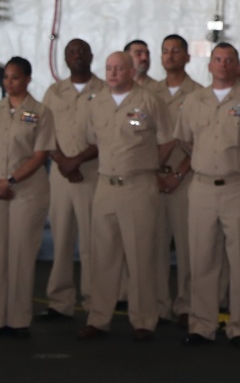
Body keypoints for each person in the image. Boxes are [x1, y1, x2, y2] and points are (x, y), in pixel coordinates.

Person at [177, 43, 240, 347]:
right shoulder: (193, 101)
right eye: (217, 59)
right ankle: (202, 325)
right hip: (203, 188)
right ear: (209, 66)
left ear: (238, 67)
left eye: (229, 60)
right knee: (202, 257)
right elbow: (184, 141)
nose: (223, 64)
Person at [76, 52, 175, 342]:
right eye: (109, 68)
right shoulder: (97, 103)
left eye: (119, 68)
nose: (113, 73)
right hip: (105, 185)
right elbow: (93, 141)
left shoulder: (148, 101)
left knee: (141, 255)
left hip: (139, 185)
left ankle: (144, 320)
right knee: (102, 256)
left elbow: (168, 140)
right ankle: (99, 319)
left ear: (132, 71)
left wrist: (149, 166)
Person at [0, 57, 55, 338]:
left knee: (21, 254)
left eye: (16, 77)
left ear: (28, 79)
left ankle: (19, 321)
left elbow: (40, 155)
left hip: (27, 193)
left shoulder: (40, 112)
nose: (9, 82)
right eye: (6, 77)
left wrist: (9, 181)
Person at [41, 38, 106, 321]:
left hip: (92, 174)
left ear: (92, 56)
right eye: (71, 52)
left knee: (93, 243)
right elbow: (45, 133)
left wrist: (76, 161)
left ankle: (94, 303)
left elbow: (108, 134)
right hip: (60, 176)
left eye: (82, 51)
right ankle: (60, 302)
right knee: (62, 239)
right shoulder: (54, 92)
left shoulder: (104, 91)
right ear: (65, 59)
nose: (77, 56)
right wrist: (63, 161)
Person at [149, 34, 199, 325]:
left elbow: (202, 142)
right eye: (165, 51)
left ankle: (186, 304)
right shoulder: (146, 93)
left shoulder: (199, 94)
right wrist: (154, 173)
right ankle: (157, 304)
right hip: (152, 179)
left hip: (185, 179)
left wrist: (178, 174)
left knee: (187, 246)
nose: (170, 55)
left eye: (176, 51)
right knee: (154, 245)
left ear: (187, 57)